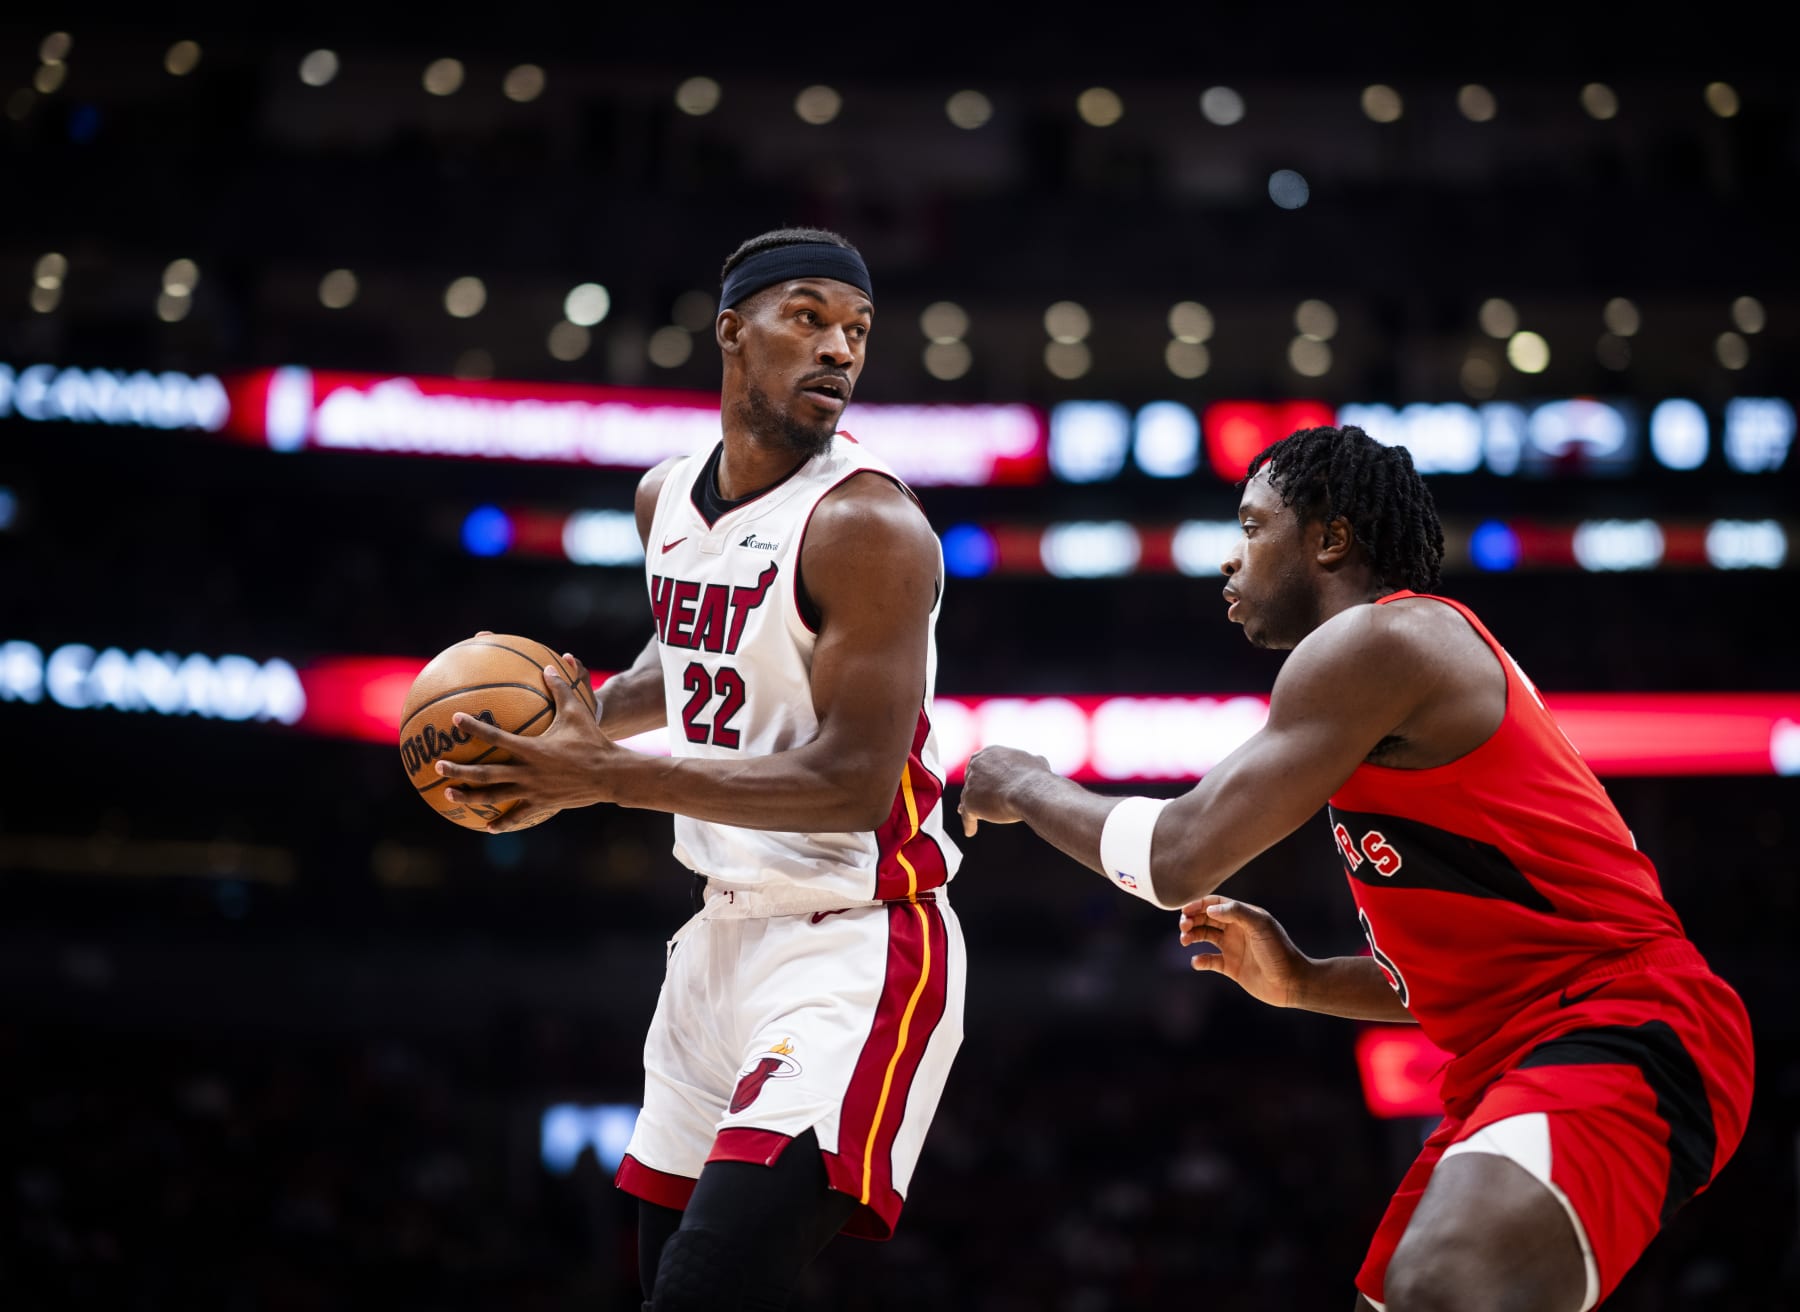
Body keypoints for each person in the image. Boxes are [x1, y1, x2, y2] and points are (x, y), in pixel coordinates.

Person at [957, 424, 1753, 1312]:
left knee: (1450, 1282)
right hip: (1514, 1045)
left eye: (1254, 528)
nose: (1230, 562)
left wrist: (1025, 785)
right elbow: (1483, 970)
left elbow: (1177, 857)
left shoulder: (1384, 640)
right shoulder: (1391, 674)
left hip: (1629, 1021)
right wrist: (1301, 982)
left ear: (1331, 538)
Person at [436, 228, 964, 1310]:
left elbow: (853, 782)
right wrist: (554, 717)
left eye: (856, 331)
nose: (839, 350)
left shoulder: (869, 524)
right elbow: (686, 666)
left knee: (704, 1292)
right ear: (732, 330)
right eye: (808, 318)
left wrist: (603, 777)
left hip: (854, 941)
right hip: (716, 940)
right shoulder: (665, 499)